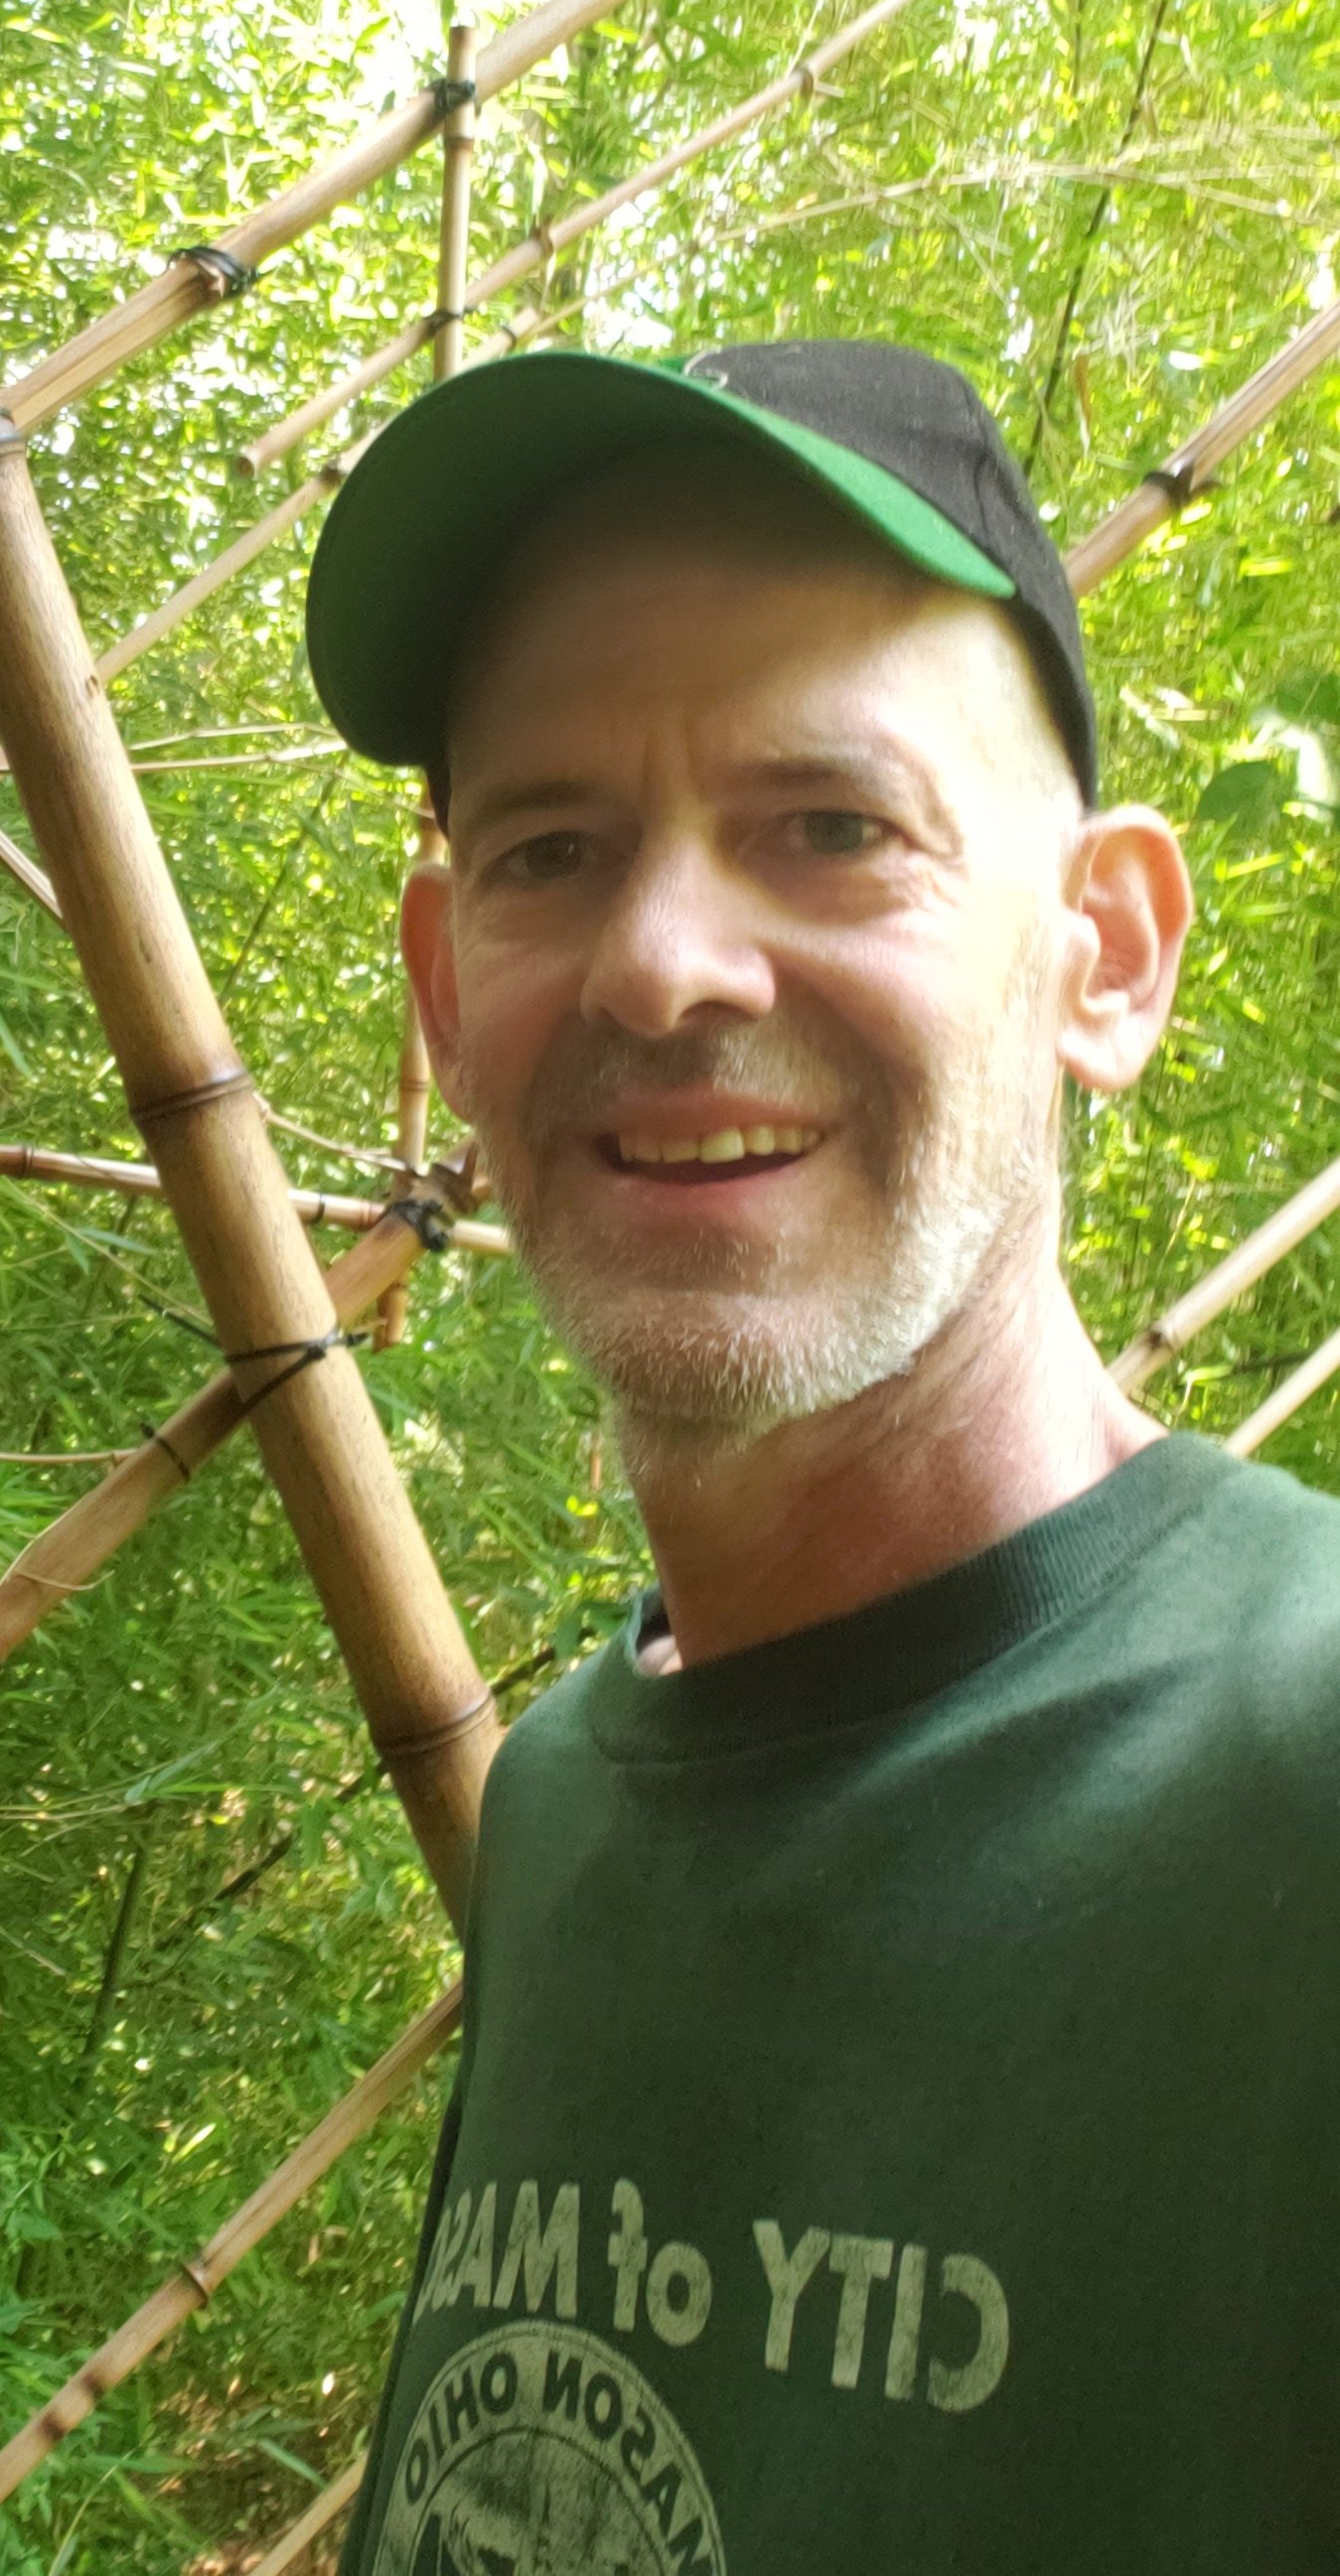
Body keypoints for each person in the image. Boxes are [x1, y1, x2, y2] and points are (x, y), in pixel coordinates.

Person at [301, 339, 1340, 2575]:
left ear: (1104, 953)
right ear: (436, 975)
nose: (662, 961)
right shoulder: (575, 1796)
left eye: (831, 827)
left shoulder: (1299, 1748)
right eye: (549, 849)